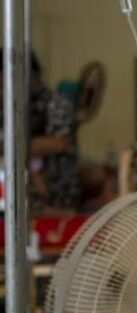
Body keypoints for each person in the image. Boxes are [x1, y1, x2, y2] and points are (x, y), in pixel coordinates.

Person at [1, 52, 81, 214]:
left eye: (4, 84)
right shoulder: (7, 108)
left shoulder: (56, 103)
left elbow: (58, 143)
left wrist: (7, 147)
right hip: (18, 199)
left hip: (58, 197)